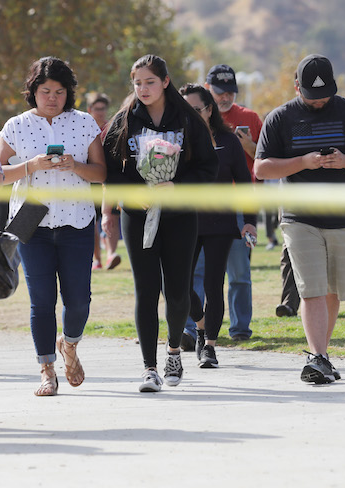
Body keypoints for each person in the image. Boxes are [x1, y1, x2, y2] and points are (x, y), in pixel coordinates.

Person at [254, 54, 345, 384]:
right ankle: (318, 356)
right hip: (299, 218)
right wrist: (303, 162)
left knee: (332, 292)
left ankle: (322, 356)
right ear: (296, 87)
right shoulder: (280, 117)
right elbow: (261, 168)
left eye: (324, 94)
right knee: (311, 289)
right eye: (311, 95)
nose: (319, 101)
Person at [103, 54, 217, 392]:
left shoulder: (187, 119)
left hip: (180, 216)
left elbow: (208, 168)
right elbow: (109, 169)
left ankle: (174, 353)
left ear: (166, 82)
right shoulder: (125, 120)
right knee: (146, 289)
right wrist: (131, 194)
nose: (143, 88)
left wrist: (176, 187)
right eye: (137, 83)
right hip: (138, 217)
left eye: (150, 82)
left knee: (178, 291)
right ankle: (149, 368)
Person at [0, 57, 106, 396]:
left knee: (79, 300)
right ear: (33, 91)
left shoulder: (85, 122)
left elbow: (101, 173)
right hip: (33, 225)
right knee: (41, 301)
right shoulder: (16, 125)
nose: (53, 98)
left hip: (77, 222)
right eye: (45, 91)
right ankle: (46, 369)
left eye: (60, 91)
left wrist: (75, 166)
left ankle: (69, 344)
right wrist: (30, 166)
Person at [180, 83, 256, 367]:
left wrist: (250, 221)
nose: (190, 115)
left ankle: (210, 346)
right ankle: (200, 327)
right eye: (185, 109)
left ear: (209, 110)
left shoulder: (229, 141)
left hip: (220, 223)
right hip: (185, 222)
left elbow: (245, 183)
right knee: (180, 285)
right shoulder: (174, 141)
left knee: (214, 284)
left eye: (196, 109)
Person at [204, 64, 263, 341]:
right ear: (208, 90)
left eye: (230, 92)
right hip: (205, 205)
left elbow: (266, 161)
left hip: (240, 203)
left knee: (239, 272)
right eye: (220, 92)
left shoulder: (250, 117)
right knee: (199, 271)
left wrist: (249, 146)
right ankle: (196, 327)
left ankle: (240, 329)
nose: (225, 97)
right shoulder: (197, 118)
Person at [88, 93, 122, 271]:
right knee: (93, 220)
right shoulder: (85, 128)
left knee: (113, 216)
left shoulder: (113, 128)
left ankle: (111, 255)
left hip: (111, 180)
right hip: (93, 180)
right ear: (90, 110)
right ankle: (97, 259)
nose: (101, 112)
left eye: (103, 109)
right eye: (97, 109)